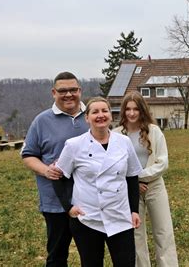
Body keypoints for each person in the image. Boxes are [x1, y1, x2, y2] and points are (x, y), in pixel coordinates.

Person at [54, 97, 142, 266]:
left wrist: (134, 210)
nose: (100, 115)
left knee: (126, 263)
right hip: (88, 218)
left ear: (111, 115)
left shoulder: (124, 142)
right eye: (95, 112)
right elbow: (59, 177)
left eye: (104, 111)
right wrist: (68, 207)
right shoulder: (74, 145)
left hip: (120, 215)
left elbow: (131, 177)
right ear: (87, 118)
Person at [21, 71, 88, 267]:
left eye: (73, 90)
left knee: (91, 255)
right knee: (57, 255)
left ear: (80, 91)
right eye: (63, 91)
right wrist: (45, 171)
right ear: (53, 92)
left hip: (88, 200)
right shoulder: (42, 121)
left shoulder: (92, 116)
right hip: (55, 201)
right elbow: (28, 155)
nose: (69, 95)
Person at [113, 91, 179, 267]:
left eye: (136, 109)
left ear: (142, 110)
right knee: (136, 235)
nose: (132, 113)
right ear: (123, 111)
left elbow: (162, 163)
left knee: (163, 231)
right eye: (128, 109)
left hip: (154, 186)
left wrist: (138, 177)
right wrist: (133, 183)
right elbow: (115, 166)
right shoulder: (117, 134)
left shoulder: (154, 131)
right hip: (130, 190)